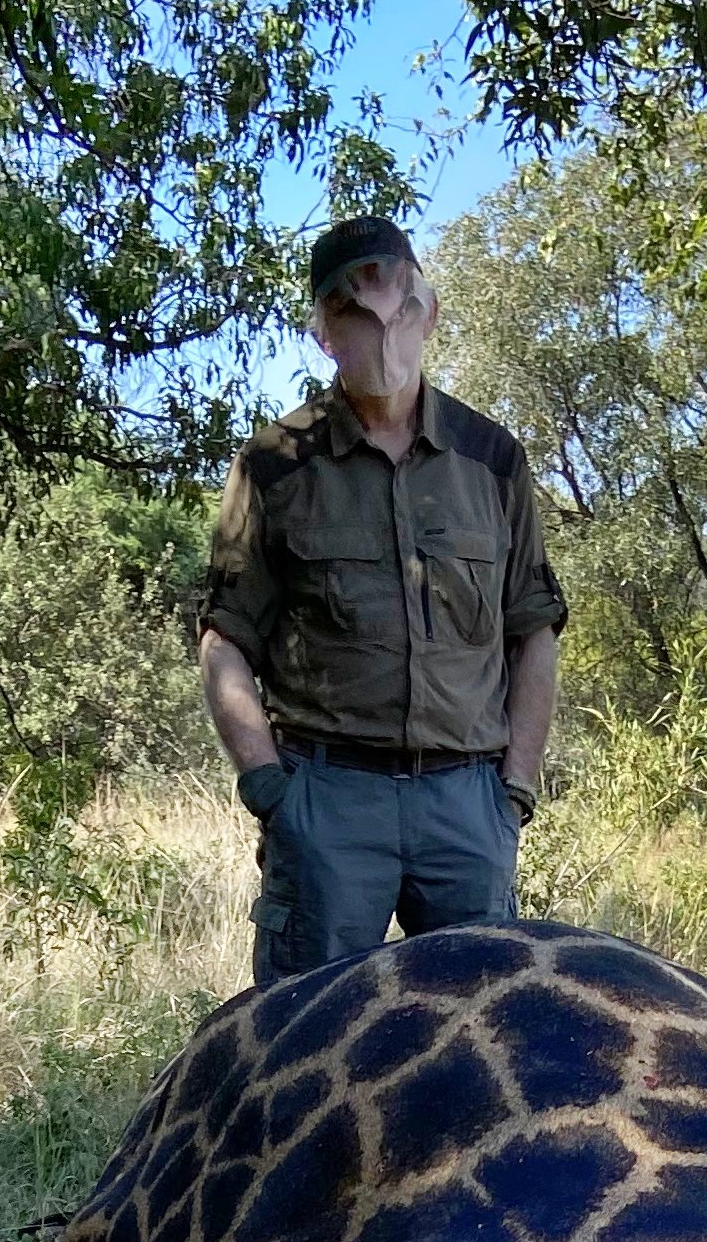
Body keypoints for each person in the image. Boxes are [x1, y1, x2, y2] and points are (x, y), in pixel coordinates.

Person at [198, 215, 566, 987]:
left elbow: (533, 630)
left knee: (480, 1044)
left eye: (401, 314)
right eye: (359, 320)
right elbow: (225, 639)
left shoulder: (493, 459)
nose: (385, 338)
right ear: (325, 333)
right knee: (304, 1044)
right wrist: (271, 790)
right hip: (329, 801)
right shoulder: (274, 466)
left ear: (429, 316)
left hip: (467, 804)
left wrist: (514, 796)